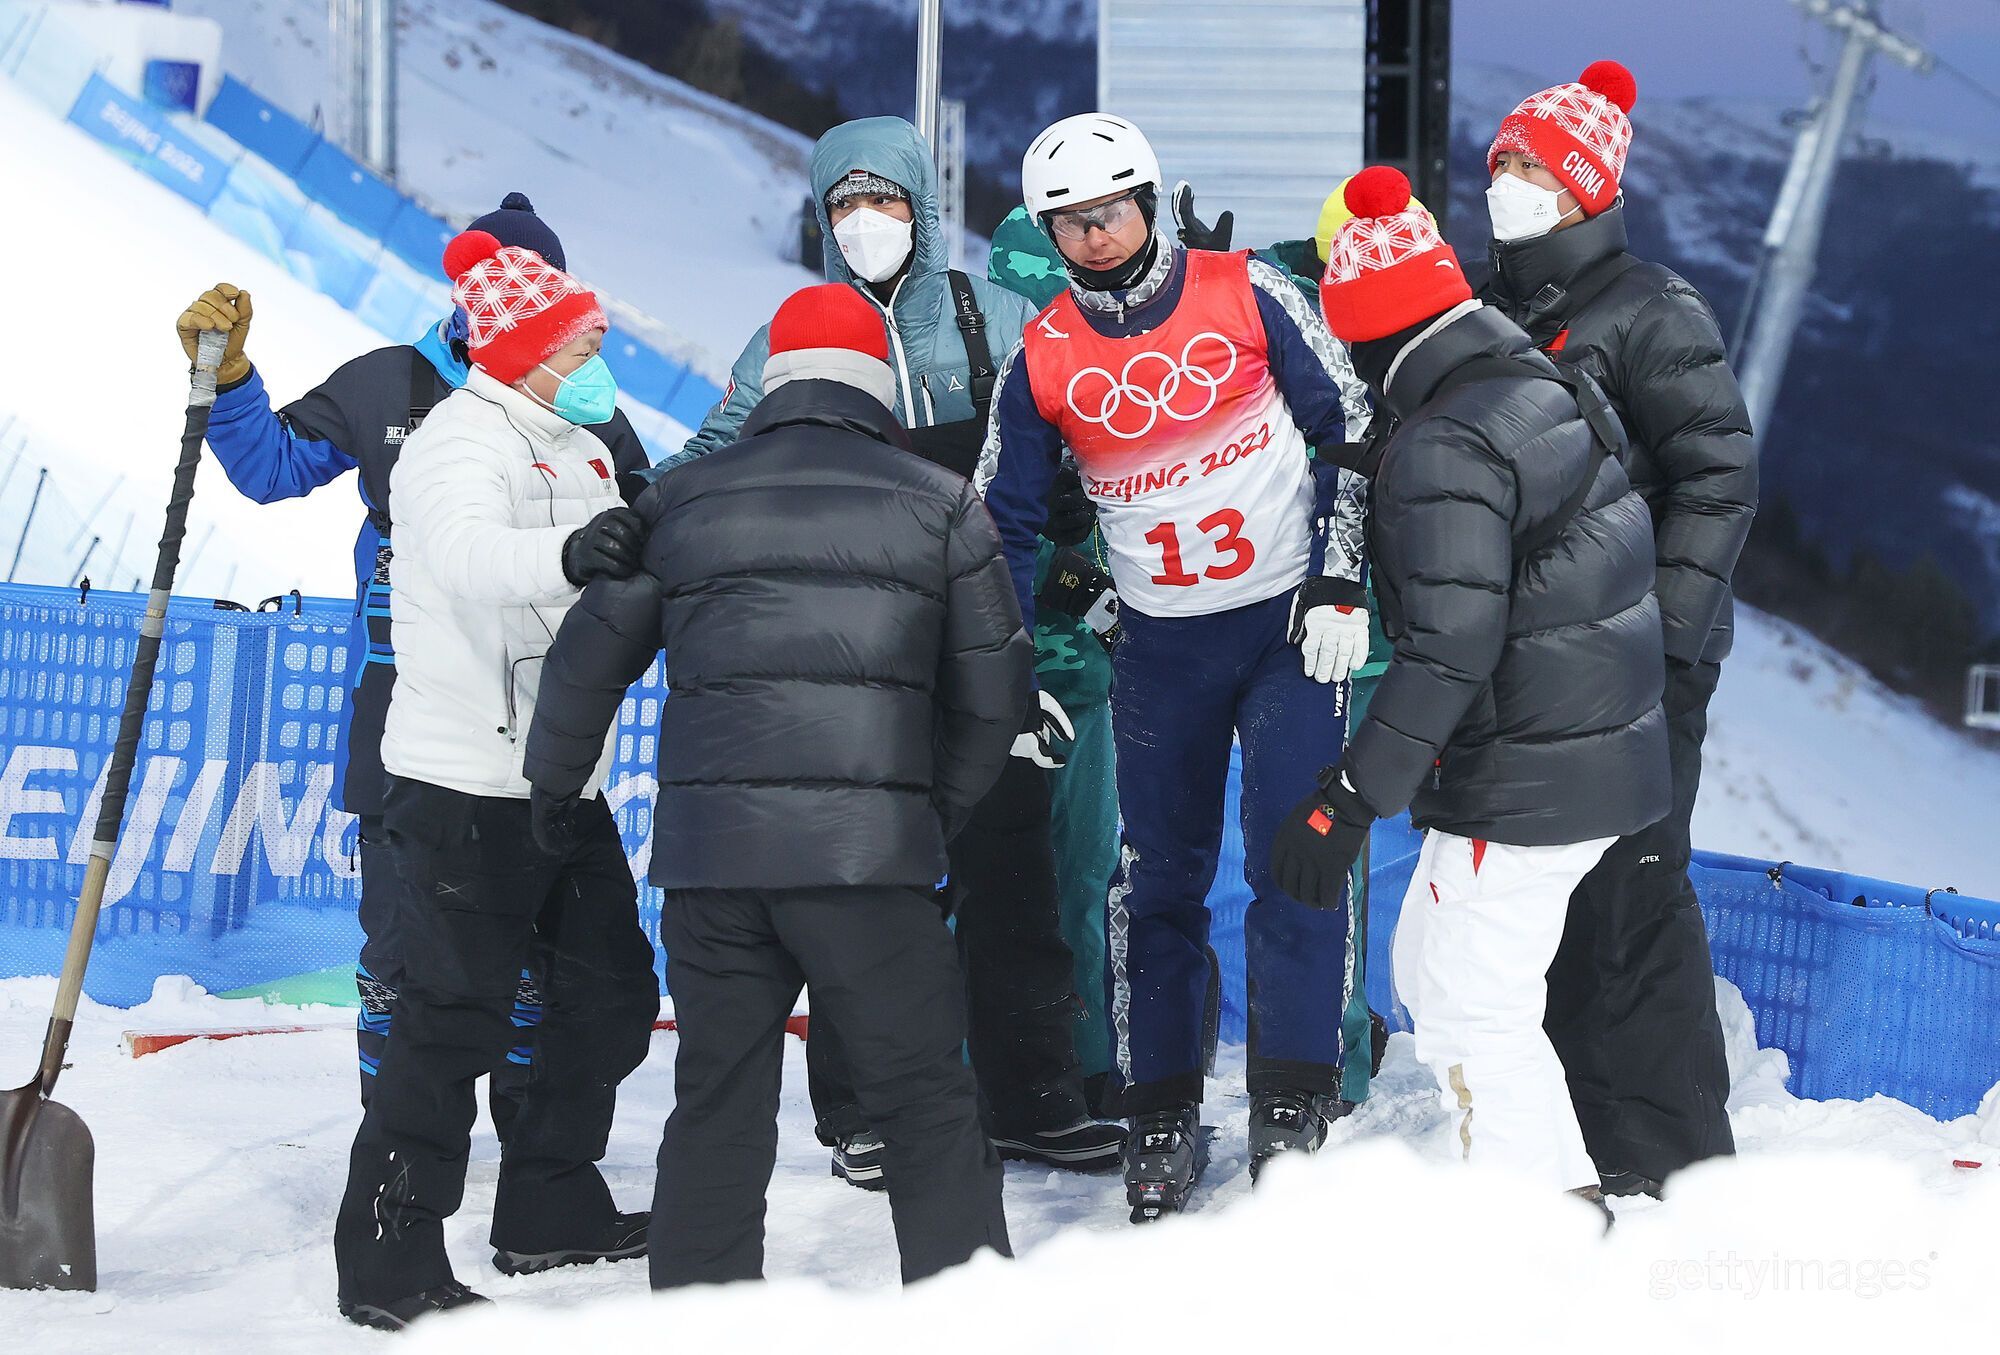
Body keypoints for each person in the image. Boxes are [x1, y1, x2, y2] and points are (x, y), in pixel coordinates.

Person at [524, 283, 1023, 1287]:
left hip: (715, 864)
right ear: (878, 384)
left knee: (717, 1100)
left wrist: (552, 790)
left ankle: (703, 1324)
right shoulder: (940, 503)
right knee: (924, 1098)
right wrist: (928, 814)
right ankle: (966, 1319)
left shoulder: (680, 500)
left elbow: (585, 664)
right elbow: (995, 693)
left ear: (768, 382)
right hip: (868, 864)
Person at [663, 115, 1124, 1180]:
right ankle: (863, 1111)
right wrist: (642, 513)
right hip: (860, 646)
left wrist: (1082, 561)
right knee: (868, 886)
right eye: (842, 203)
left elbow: (1089, 434)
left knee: (1011, 867)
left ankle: (1033, 1094)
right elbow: (716, 448)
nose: (865, 221)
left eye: (885, 199)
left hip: (986, 631)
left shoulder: (994, 312)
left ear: (922, 201)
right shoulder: (796, 333)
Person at [175, 193, 653, 1114]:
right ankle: (398, 1146)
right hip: (403, 707)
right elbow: (273, 469)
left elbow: (644, 522)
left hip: (539, 709)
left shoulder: (581, 391)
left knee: (540, 953)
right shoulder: (389, 382)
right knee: (402, 942)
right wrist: (231, 381)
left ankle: (533, 1161)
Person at [978, 112, 1375, 1220]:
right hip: (1159, 644)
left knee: (1294, 858)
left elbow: (1345, 413)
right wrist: (1009, 658)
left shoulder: (1242, 289)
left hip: (1284, 631)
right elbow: (999, 519)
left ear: (1148, 201)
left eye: (1109, 211)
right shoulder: (1043, 350)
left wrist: (1338, 580)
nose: (1094, 236)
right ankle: (1158, 1104)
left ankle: (1292, 1093)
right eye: (1068, 223)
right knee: (1157, 882)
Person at [1271, 166, 1670, 1205]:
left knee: (1463, 1005)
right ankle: (1560, 1198)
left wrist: (1350, 797)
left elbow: (1450, 645)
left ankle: (1529, 1234)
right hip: (1583, 739)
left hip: (1531, 765)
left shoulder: (1445, 437)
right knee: (1435, 967)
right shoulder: (1523, 378)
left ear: (1366, 332)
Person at [332, 231, 661, 1330]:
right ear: (526, 347)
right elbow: (472, 561)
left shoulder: (580, 437)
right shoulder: (453, 443)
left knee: (614, 991)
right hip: (465, 780)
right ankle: (387, 1251)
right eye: (584, 339)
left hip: (562, 776)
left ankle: (548, 1197)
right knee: (448, 1024)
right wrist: (576, 551)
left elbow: (617, 556)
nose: (600, 353)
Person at [1479, 60, 1755, 1196]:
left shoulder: (1651, 307)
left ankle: (1672, 1165)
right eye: (1498, 162)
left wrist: (1667, 642)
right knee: (1547, 905)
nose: (1506, 182)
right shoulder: (1497, 310)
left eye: (1531, 167)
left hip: (1639, 667)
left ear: (1585, 185)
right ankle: (1573, 1145)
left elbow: (1719, 476)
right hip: (1538, 667)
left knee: (1631, 901)